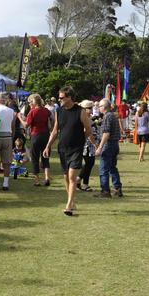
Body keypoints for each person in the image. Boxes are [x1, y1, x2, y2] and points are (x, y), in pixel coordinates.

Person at [43, 86, 96, 216]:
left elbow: (88, 130)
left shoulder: (81, 111)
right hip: (62, 148)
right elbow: (55, 130)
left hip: (77, 149)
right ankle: (72, 201)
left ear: (69, 97)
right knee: (66, 177)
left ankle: (68, 206)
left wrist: (80, 140)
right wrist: (48, 146)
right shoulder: (58, 111)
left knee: (72, 177)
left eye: (61, 98)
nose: (59, 100)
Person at [94, 98, 123, 198]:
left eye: (100, 106)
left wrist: (100, 147)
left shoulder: (107, 117)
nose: (98, 108)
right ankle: (118, 188)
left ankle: (105, 191)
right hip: (115, 144)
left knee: (103, 169)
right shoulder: (113, 115)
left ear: (104, 107)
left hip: (108, 145)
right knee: (112, 168)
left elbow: (106, 133)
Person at [22, 94, 52, 187]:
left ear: (33, 102)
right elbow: (52, 119)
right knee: (45, 157)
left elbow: (26, 125)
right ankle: (47, 178)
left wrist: (19, 117)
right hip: (46, 135)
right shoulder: (46, 110)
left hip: (35, 135)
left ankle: (37, 181)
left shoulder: (32, 112)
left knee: (35, 158)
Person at [76, 100, 98, 192]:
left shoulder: (89, 117)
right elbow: (89, 134)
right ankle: (82, 182)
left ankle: (80, 181)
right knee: (89, 164)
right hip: (87, 145)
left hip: (89, 145)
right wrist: (95, 144)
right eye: (89, 108)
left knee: (89, 164)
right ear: (84, 109)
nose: (91, 109)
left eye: (91, 107)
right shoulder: (85, 119)